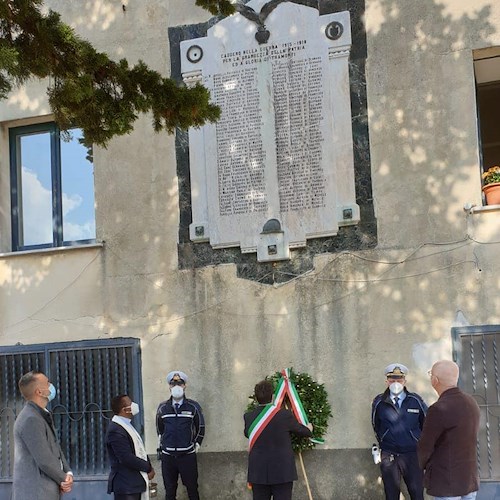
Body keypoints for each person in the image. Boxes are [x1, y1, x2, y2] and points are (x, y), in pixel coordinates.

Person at [417, 360, 481, 500]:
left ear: (435, 380)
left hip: (447, 482)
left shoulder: (438, 408)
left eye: (430, 374)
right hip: (469, 478)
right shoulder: (471, 402)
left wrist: (423, 466)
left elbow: (425, 447)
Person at [243, 379, 313, 500]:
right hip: (282, 473)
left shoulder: (248, 417)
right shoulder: (284, 415)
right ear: (273, 396)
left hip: (258, 473)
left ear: (256, 397)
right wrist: (309, 428)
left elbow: (247, 433)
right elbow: (303, 432)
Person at [12, 371, 73, 500]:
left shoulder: (40, 415)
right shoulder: (30, 419)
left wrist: (68, 472)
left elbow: (55, 448)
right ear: (39, 392)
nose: (51, 385)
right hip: (36, 493)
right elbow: (44, 459)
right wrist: (63, 479)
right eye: (48, 383)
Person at [371, 363, 427, 500]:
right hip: (389, 454)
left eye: (399, 379)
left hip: (412, 454)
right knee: (391, 494)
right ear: (386, 382)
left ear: (405, 381)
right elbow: (375, 424)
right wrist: (385, 441)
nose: (396, 383)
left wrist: (417, 441)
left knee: (417, 492)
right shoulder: (379, 402)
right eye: (392, 380)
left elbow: (425, 423)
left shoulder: (415, 400)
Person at [156, 371, 205, 500]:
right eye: (173, 383)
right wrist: (164, 444)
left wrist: (197, 443)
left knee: (192, 489)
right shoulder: (162, 408)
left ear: (185, 385)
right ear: (169, 386)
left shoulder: (193, 406)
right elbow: (159, 428)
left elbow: (200, 426)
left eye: (180, 383)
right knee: (170, 491)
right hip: (168, 457)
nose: (176, 385)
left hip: (187, 456)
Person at [106, 394, 155, 500]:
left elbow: (139, 448)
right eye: (130, 403)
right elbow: (126, 457)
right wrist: (147, 467)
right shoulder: (116, 430)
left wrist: (148, 465)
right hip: (126, 486)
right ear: (125, 410)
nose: (134, 405)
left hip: (133, 484)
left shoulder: (127, 425)